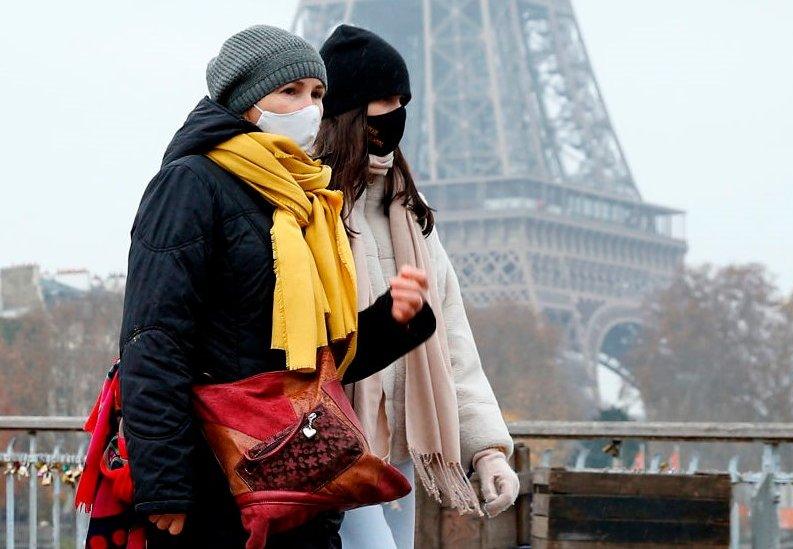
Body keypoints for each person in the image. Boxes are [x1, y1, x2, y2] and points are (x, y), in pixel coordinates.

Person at [118, 25, 435, 548]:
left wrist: (392, 322)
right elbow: (153, 341)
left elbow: (309, 364)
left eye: (317, 93)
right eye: (289, 91)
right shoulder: (191, 183)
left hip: (298, 475)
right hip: (217, 478)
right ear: (244, 103)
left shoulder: (304, 197)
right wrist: (166, 483)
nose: (308, 107)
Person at [315, 25, 520, 548]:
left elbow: (451, 339)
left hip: (404, 444)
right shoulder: (310, 209)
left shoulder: (410, 211)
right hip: (336, 443)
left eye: (402, 101)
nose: (396, 112)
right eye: (384, 100)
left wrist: (487, 450)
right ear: (349, 109)